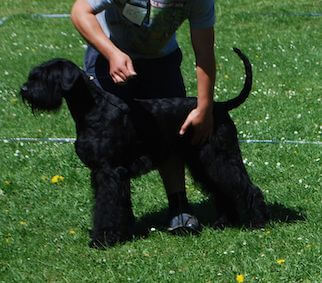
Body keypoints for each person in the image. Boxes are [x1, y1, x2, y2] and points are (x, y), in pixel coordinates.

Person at [71, 0, 216, 233]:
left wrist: (205, 107)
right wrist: (112, 53)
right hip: (108, 51)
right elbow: (80, 11)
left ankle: (179, 207)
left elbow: (205, 52)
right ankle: (115, 222)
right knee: (109, 145)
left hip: (161, 59)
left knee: (171, 131)